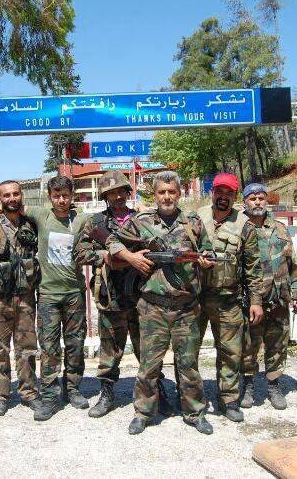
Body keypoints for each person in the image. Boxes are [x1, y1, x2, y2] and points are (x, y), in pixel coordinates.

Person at [107, 171, 214, 436]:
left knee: (188, 364)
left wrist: (206, 260)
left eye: (172, 192)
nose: (167, 197)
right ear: (154, 195)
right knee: (149, 366)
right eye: (161, 192)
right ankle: (144, 413)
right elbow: (111, 241)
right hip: (152, 307)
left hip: (186, 307)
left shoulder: (192, 222)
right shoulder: (140, 222)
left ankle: (194, 412)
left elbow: (208, 250)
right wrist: (131, 258)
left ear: (179, 194)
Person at [0, 176, 89, 421]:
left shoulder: (82, 219)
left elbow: (101, 230)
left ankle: (72, 388)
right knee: (49, 348)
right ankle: (50, 394)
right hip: (47, 295)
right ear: (49, 197)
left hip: (74, 293)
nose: (61, 199)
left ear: (72, 195)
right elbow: (9, 206)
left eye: (65, 195)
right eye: (56, 195)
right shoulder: (41, 216)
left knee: (75, 344)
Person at [74, 171, 172, 418]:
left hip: (143, 295)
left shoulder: (144, 219)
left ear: (128, 193)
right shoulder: (96, 223)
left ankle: (157, 392)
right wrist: (108, 257)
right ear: (105, 196)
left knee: (148, 349)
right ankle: (107, 395)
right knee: (110, 349)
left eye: (121, 191)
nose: (117, 196)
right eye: (111, 193)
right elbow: (79, 253)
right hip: (112, 295)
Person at [197, 173, 263, 423]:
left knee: (230, 353)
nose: (223, 197)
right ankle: (192, 400)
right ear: (211, 192)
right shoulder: (195, 218)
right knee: (189, 353)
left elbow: (253, 266)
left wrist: (255, 300)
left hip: (228, 300)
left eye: (229, 193)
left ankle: (229, 400)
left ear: (234, 197)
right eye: (219, 192)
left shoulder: (245, 225)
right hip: (196, 299)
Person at [0, 180, 42, 416]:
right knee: (0, 349)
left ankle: (29, 392)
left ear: (22, 195)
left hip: (25, 295)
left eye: (15, 194)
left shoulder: (32, 223)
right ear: (0, 199)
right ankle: (0, 395)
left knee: (27, 347)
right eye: (6, 195)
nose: (12, 199)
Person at [240, 183, 297, 410]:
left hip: (279, 298)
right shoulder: (240, 228)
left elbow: (293, 265)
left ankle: (274, 385)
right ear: (245, 201)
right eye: (252, 198)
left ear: (267, 200)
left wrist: (295, 292)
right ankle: (249, 386)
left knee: (277, 343)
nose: (257, 202)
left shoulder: (281, 229)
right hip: (251, 300)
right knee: (249, 345)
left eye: (261, 198)